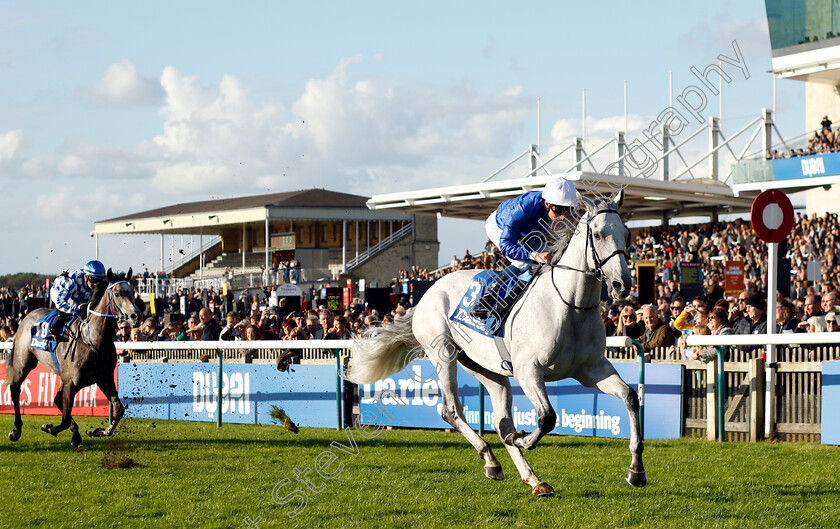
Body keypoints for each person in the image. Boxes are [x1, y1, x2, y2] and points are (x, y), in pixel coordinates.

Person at [471, 176, 579, 320]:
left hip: (530, 231)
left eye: (568, 210)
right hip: (501, 227)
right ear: (547, 203)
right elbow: (507, 245)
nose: (563, 216)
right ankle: (487, 298)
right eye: (558, 210)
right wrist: (535, 255)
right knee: (522, 262)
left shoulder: (559, 211)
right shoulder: (524, 208)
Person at [47, 260, 107, 342]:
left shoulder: (94, 284)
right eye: (93, 280)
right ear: (86, 277)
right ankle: (52, 330)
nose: (96, 284)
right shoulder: (72, 281)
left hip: (79, 295)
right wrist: (75, 310)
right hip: (60, 293)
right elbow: (61, 301)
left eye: (99, 281)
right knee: (67, 311)